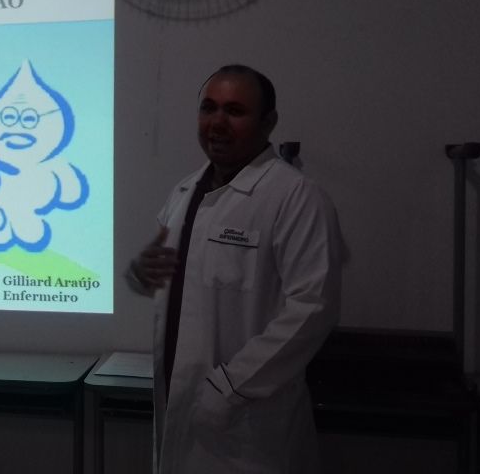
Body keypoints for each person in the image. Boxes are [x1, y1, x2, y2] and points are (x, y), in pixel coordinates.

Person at [127, 64, 342, 474]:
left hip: (249, 426)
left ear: (268, 122)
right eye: (208, 108)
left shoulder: (296, 197)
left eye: (235, 111)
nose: (218, 122)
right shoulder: (183, 192)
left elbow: (313, 309)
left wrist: (231, 386)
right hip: (181, 404)